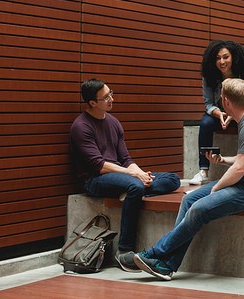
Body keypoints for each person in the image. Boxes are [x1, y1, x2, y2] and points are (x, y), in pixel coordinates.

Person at [117, 78, 244, 280]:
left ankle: (154, 253)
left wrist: (217, 188)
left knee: (199, 208)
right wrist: (221, 160)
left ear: (226, 101)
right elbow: (243, 160)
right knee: (188, 199)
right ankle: (166, 266)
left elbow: (240, 169)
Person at [69, 78, 181, 261]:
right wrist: (133, 175)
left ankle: (129, 191)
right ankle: (124, 250)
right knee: (135, 186)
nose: (111, 99)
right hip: (95, 179)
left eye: (110, 93)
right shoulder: (81, 127)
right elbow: (99, 165)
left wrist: (141, 174)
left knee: (173, 179)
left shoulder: (113, 122)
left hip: (120, 175)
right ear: (92, 103)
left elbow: (125, 158)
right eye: (106, 97)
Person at [190, 40, 244, 185]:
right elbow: (208, 103)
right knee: (205, 123)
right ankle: (204, 170)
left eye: (225, 57)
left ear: (233, 57)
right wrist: (220, 114)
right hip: (220, 112)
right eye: (217, 58)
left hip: (243, 110)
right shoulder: (209, 75)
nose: (222, 61)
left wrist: (234, 115)